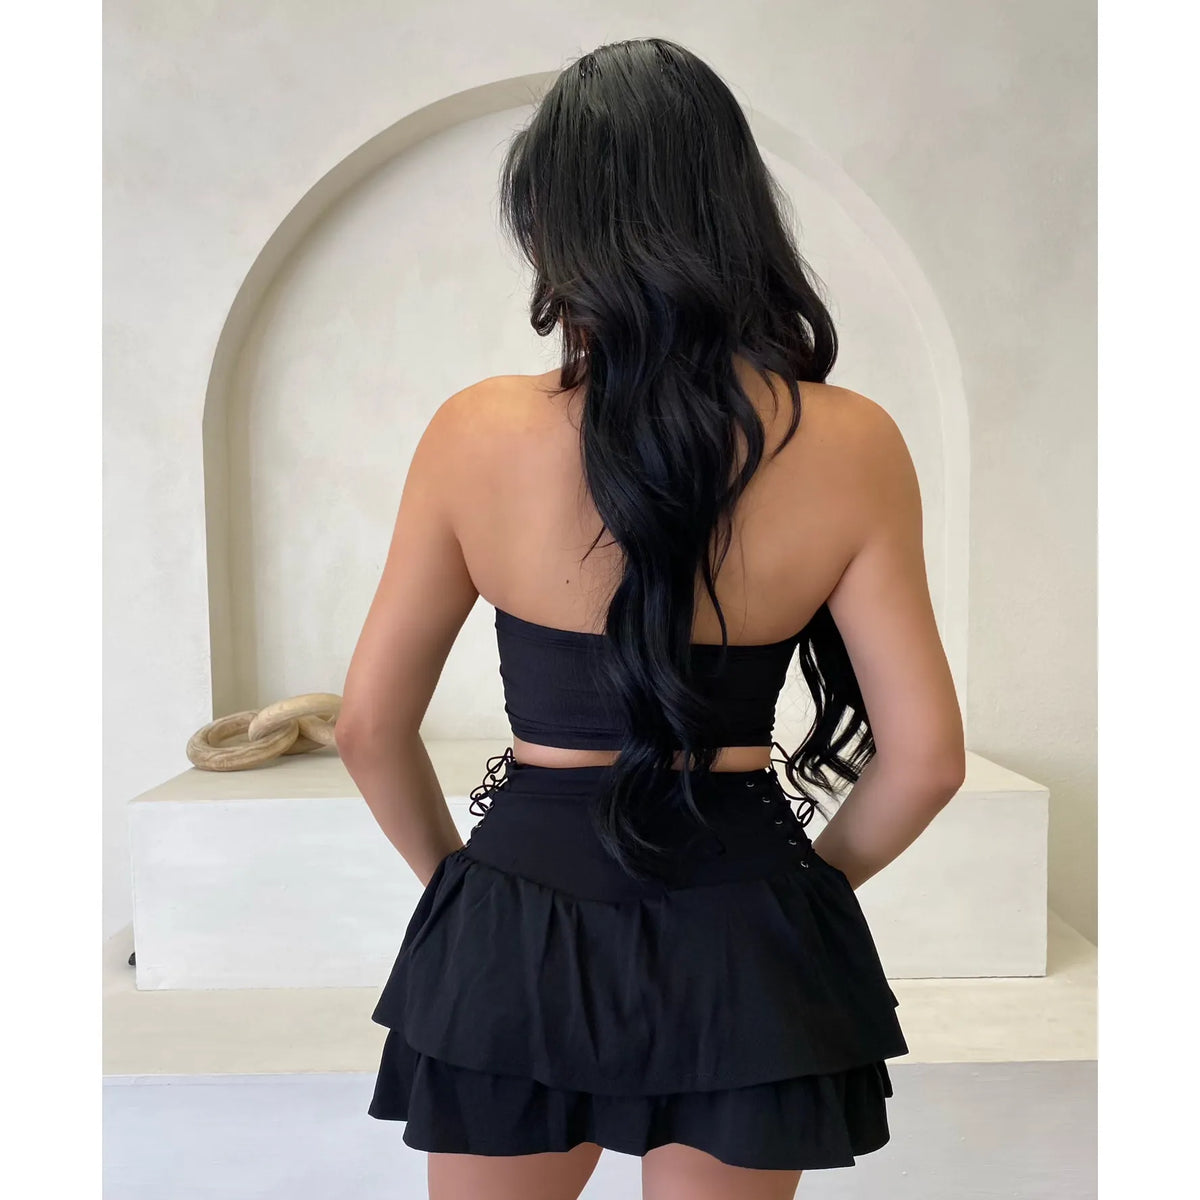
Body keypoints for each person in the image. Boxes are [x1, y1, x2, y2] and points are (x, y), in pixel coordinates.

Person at [336, 36, 965, 1200]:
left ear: (554, 225)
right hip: (744, 931)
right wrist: (800, 902)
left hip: (519, 918)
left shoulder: (475, 431)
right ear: (736, 212)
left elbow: (367, 727)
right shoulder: (853, 442)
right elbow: (926, 762)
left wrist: (464, 898)